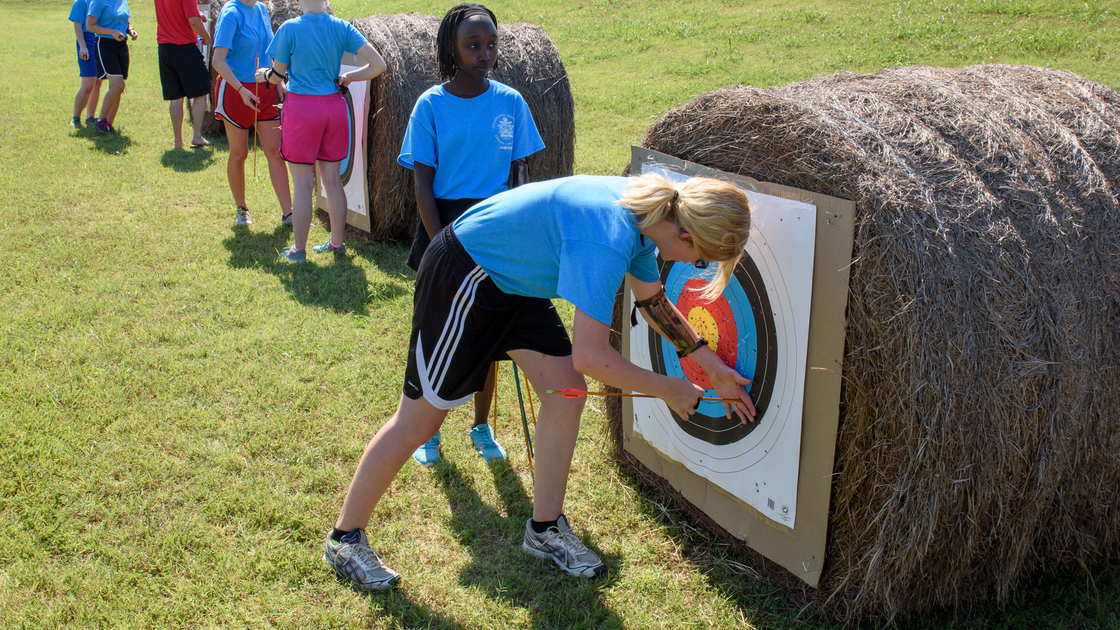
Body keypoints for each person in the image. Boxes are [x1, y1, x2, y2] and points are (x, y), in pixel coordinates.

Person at [322, 173, 758, 590]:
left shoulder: (651, 219)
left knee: (565, 394)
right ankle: (344, 540)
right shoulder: (609, 236)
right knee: (418, 422)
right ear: (685, 236)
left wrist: (712, 367)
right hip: (467, 273)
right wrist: (668, 388)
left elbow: (654, 303)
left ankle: (545, 529)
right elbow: (591, 356)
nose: (695, 267)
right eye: (702, 260)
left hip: (514, 283)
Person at [397, 3, 545, 467]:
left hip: (498, 226)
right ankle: (427, 430)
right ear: (451, 49)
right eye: (472, 45)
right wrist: (440, 244)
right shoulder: (430, 105)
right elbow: (422, 182)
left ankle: (481, 426)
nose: (484, 53)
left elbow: (521, 175)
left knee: (491, 332)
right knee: (436, 334)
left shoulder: (511, 103)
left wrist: (521, 231)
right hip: (443, 226)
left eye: (491, 45)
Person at [259, 0, 387, 262]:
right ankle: (337, 244)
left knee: (303, 183)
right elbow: (378, 65)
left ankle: (299, 250)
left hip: (302, 110)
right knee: (333, 180)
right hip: (334, 108)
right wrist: (349, 78)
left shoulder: (289, 28)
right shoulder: (341, 27)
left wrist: (264, 75)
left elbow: (278, 75)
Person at [212, 0, 292, 227]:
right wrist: (241, 89)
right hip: (236, 91)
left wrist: (278, 82)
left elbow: (271, 51)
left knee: (275, 151)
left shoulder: (261, 9)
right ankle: (242, 209)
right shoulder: (231, 13)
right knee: (239, 153)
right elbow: (218, 60)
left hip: (264, 89)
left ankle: (289, 213)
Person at [154, 0, 214, 149]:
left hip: (164, 49)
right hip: (184, 47)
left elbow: (177, 12)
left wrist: (196, 14)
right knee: (201, 92)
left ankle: (178, 141)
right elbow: (193, 22)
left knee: (175, 96)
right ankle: (197, 136)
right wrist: (206, 36)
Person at [85, 0, 137, 134]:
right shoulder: (98, 2)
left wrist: (130, 30)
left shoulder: (122, 1)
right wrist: (111, 32)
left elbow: (124, 21)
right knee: (118, 85)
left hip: (121, 45)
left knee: (117, 88)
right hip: (105, 45)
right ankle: (100, 121)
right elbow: (90, 25)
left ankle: (108, 125)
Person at [68, 0, 103, 128]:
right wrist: (82, 46)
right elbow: (77, 26)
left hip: (100, 41)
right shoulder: (81, 2)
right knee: (88, 84)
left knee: (98, 82)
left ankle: (90, 117)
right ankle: (76, 117)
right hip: (87, 42)